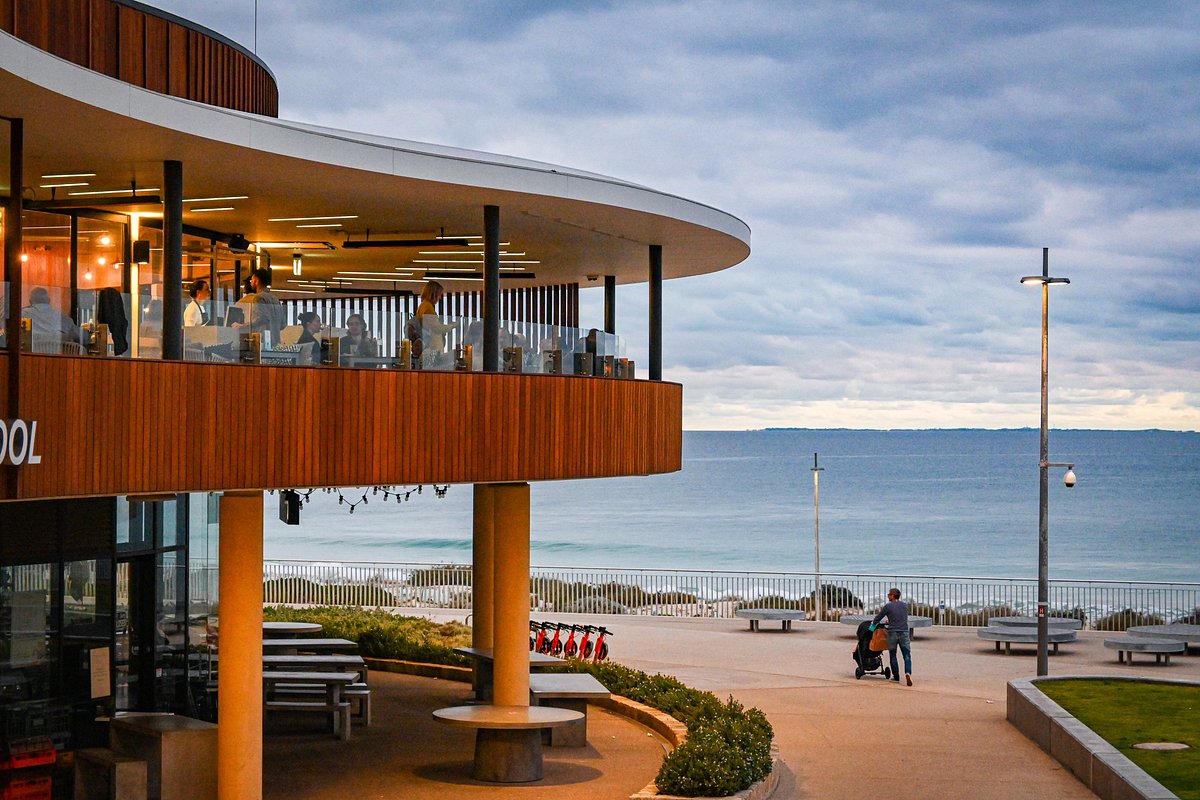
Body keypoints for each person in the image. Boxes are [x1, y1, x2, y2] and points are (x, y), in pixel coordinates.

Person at [870, 588, 913, 685]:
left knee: (893, 654)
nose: (888, 596)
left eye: (889, 594)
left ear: (893, 595)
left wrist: (871, 628)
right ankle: (908, 672)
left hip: (893, 632)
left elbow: (878, 618)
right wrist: (891, 621)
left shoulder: (888, 606)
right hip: (904, 632)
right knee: (906, 654)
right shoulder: (905, 606)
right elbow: (901, 618)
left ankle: (896, 677)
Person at [22, 286, 86, 350]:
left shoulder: (22, 314)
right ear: (49, 300)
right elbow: (81, 336)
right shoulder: (62, 317)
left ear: (30, 301)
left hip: (29, 356)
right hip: (57, 356)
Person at [409, 280, 452, 368]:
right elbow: (435, 328)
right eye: (439, 294)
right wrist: (451, 327)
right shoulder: (428, 307)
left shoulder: (422, 306)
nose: (440, 298)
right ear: (434, 294)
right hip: (433, 347)